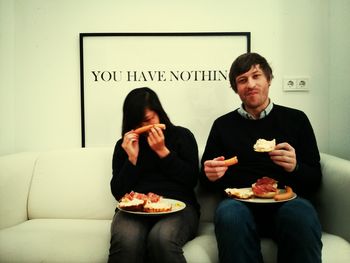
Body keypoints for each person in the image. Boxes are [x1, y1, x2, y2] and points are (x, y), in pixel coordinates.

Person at [200, 53, 323, 263]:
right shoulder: (222, 125)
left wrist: (296, 167)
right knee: (229, 214)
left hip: (287, 201)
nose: (250, 84)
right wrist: (210, 175)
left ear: (269, 79)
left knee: (301, 214)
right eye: (242, 80)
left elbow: (315, 179)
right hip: (239, 204)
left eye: (256, 76)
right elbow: (205, 183)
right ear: (236, 89)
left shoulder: (296, 119)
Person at [108, 87, 200, 263]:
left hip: (179, 207)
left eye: (148, 120)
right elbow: (118, 193)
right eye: (138, 123)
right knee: (126, 239)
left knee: (161, 238)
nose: (144, 127)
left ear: (159, 113)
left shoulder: (182, 135)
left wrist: (163, 152)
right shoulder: (125, 145)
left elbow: (191, 180)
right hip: (135, 209)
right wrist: (132, 159)